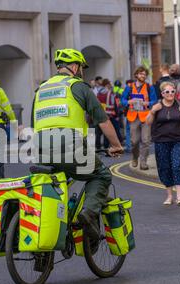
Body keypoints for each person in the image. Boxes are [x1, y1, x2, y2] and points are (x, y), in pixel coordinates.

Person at [32, 48, 124, 241]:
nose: (82, 71)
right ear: (74, 66)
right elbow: (102, 120)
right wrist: (116, 144)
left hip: (40, 147)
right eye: (81, 67)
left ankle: (57, 224)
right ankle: (88, 213)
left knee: (59, 179)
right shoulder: (78, 86)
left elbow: (35, 123)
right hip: (70, 145)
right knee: (101, 175)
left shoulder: (41, 89)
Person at [146, 82, 180, 206]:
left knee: (176, 165)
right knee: (164, 167)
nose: (170, 94)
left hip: (178, 140)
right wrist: (152, 111)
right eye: (167, 92)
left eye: (172, 91)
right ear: (162, 94)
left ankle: (179, 196)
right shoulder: (157, 106)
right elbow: (148, 122)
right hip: (161, 141)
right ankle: (169, 196)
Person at [121, 66, 158, 170]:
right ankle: (135, 157)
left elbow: (154, 101)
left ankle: (143, 162)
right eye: (141, 74)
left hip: (146, 116)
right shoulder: (129, 87)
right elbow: (122, 99)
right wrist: (128, 102)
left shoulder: (149, 87)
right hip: (133, 116)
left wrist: (148, 103)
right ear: (136, 75)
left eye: (145, 74)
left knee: (146, 140)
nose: (143, 75)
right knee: (134, 141)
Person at [96, 79, 123, 148]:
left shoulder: (98, 93)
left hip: (99, 114)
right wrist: (117, 115)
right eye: (109, 84)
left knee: (98, 132)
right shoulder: (110, 93)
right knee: (107, 131)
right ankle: (106, 146)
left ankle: (98, 147)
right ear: (107, 85)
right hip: (109, 115)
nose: (110, 85)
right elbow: (114, 104)